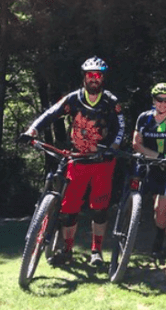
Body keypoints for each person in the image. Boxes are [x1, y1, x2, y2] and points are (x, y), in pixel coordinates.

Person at [25, 56, 125, 267]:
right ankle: (67, 249)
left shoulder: (111, 102)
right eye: (90, 75)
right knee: (69, 210)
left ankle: (96, 251)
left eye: (98, 75)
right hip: (76, 160)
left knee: (99, 209)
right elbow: (50, 114)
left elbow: (121, 128)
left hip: (102, 162)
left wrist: (112, 149)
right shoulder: (73, 99)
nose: (94, 79)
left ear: (103, 78)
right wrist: (32, 130)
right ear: (84, 77)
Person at [131, 82, 166, 262]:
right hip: (153, 167)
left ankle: (158, 241)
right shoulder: (144, 118)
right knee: (162, 210)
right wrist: (157, 156)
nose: (162, 104)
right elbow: (136, 144)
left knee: (161, 210)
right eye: (159, 100)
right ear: (153, 101)